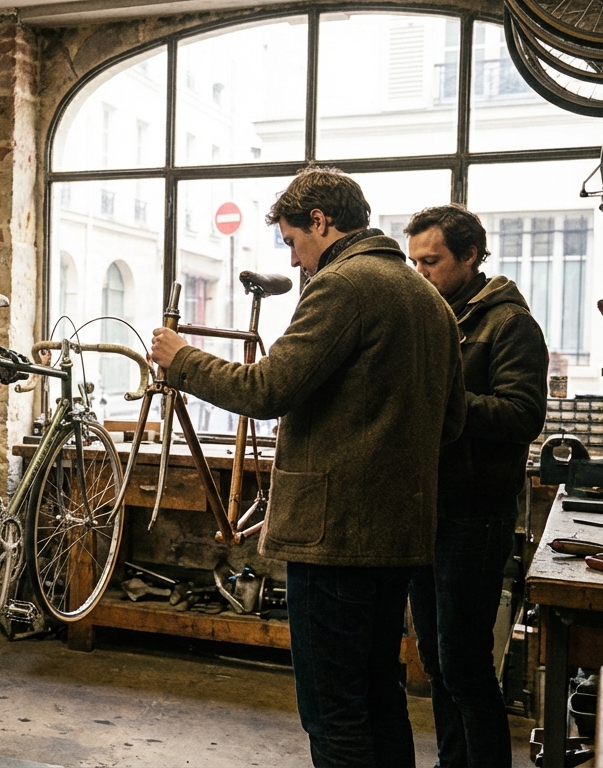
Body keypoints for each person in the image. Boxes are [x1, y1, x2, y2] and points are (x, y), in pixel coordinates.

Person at [150, 166, 465, 767]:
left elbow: (266, 389)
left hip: (335, 539)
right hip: (398, 537)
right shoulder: (429, 300)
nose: (294, 261)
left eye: (293, 241)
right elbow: (449, 425)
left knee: (334, 711)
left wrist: (182, 359)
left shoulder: (345, 284)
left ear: (322, 221)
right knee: (380, 696)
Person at [404, 205, 546, 767]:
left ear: (470, 256)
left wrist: (442, 405)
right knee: (437, 661)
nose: (421, 274)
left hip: (474, 517)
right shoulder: (437, 318)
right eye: (414, 261)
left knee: (464, 662)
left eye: (431, 261)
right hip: (426, 510)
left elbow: (522, 415)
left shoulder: (509, 324)